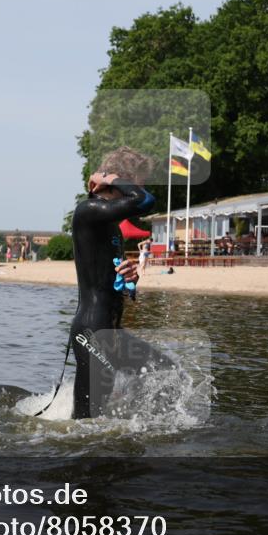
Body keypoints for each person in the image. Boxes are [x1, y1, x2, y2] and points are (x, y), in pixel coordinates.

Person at [68, 147, 166, 419]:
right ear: (122, 180)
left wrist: (128, 279)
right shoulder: (88, 211)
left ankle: (139, 426)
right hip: (92, 330)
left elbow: (108, 280)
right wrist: (109, 178)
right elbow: (145, 201)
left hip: (110, 331)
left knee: (165, 371)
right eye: (138, 183)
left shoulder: (110, 224)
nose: (141, 189)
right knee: (86, 423)